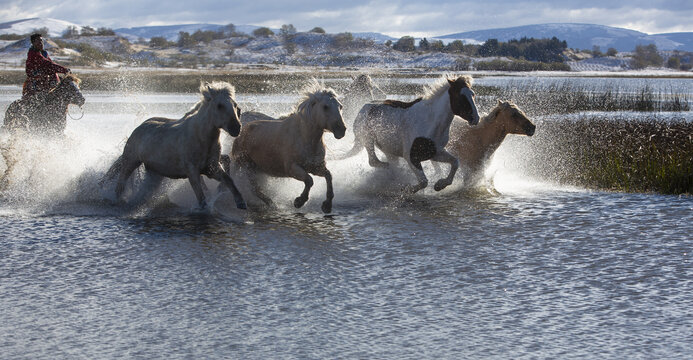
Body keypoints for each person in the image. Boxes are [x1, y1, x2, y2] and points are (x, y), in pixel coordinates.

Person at [23, 33, 70, 99]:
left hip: (44, 75)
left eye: (41, 41)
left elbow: (51, 63)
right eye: (38, 41)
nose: (40, 43)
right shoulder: (33, 54)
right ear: (33, 43)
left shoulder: (43, 53)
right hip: (35, 76)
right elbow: (48, 64)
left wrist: (62, 70)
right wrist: (64, 70)